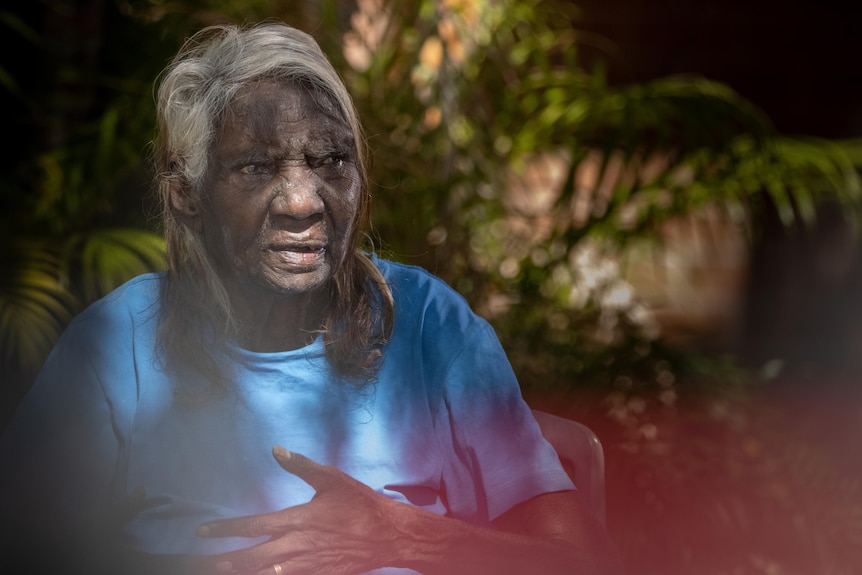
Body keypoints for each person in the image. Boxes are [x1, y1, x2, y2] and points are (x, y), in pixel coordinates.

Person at [0, 21, 624, 575]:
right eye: (255, 168)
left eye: (331, 161)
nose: (303, 202)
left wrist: (401, 536)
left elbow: (580, 564)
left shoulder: (432, 325)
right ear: (187, 193)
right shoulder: (120, 344)